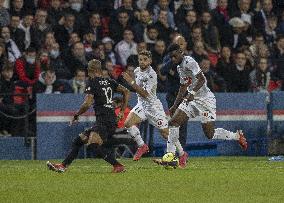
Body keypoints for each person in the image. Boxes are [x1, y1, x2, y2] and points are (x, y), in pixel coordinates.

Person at [162, 44, 248, 161]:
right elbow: (183, 86)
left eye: (174, 56)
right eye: (170, 57)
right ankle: (171, 156)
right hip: (191, 100)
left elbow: (202, 79)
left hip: (205, 100)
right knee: (173, 122)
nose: (172, 59)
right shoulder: (179, 68)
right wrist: (175, 105)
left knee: (209, 134)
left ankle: (237, 136)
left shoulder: (189, 62)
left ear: (180, 52)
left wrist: (191, 93)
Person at [46, 59, 130, 173]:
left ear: (90, 70)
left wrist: (77, 114)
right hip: (107, 119)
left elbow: (87, 103)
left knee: (92, 145)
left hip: (104, 120)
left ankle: (118, 165)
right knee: (78, 140)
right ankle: (63, 166)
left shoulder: (92, 82)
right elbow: (126, 91)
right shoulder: (110, 81)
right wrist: (121, 111)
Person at [122, 50, 188, 167]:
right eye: (140, 59)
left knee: (165, 133)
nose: (142, 62)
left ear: (150, 61)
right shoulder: (137, 71)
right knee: (127, 123)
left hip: (154, 108)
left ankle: (182, 154)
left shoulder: (152, 74)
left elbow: (145, 94)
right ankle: (142, 146)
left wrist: (131, 82)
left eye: (145, 60)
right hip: (142, 105)